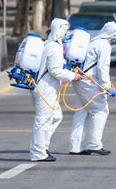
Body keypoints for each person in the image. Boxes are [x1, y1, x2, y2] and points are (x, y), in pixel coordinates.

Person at [30, 18, 81, 162]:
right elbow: (55, 71)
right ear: (58, 30)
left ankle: (43, 146)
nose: (65, 33)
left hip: (48, 88)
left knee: (56, 116)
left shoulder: (51, 45)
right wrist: (73, 76)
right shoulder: (54, 47)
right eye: (64, 30)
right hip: (45, 88)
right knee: (43, 120)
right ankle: (38, 153)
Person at [69, 22, 116, 156]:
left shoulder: (93, 41)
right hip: (89, 82)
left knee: (82, 111)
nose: (115, 36)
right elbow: (102, 68)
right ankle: (94, 144)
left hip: (80, 80)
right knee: (101, 111)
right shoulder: (104, 45)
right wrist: (107, 86)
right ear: (109, 32)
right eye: (114, 33)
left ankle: (75, 146)